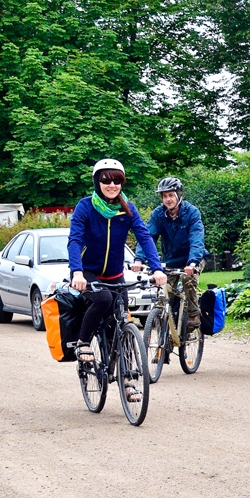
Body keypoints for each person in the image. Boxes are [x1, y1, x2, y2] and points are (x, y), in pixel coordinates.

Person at [68, 159, 167, 396]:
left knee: (122, 324)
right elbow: (74, 240)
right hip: (88, 272)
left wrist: (156, 268)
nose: (112, 185)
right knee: (103, 299)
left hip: (115, 274)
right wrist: (77, 272)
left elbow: (144, 237)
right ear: (97, 182)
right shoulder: (85, 206)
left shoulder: (127, 208)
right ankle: (83, 342)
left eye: (117, 181)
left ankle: (128, 380)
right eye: (106, 180)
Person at [132, 177, 210, 329]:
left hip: (193, 258)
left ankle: (193, 313)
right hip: (171, 259)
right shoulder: (158, 214)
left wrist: (192, 262)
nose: (168, 199)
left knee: (188, 279)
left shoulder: (192, 212)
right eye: (164, 196)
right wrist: (139, 259)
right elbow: (148, 237)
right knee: (164, 289)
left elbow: (196, 238)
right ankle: (167, 325)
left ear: (179, 195)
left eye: (171, 195)